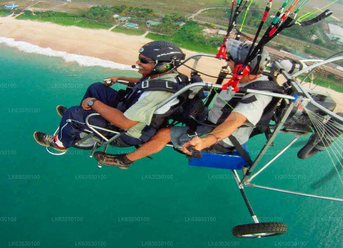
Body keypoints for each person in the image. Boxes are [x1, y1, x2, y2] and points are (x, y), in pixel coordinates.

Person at [94, 39, 273, 169]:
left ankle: (125, 160)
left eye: (230, 59)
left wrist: (205, 141)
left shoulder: (257, 96)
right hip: (211, 117)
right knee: (175, 103)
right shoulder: (250, 76)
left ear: (243, 68)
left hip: (222, 135)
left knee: (164, 134)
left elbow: (234, 122)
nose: (227, 62)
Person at [33, 41, 187, 152]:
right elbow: (146, 83)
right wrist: (120, 78)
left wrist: (93, 102)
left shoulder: (157, 95)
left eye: (144, 61)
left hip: (127, 131)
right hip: (130, 108)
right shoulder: (169, 76)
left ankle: (61, 143)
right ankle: (83, 118)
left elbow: (125, 123)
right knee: (97, 88)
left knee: (71, 113)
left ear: (162, 65)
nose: (137, 62)